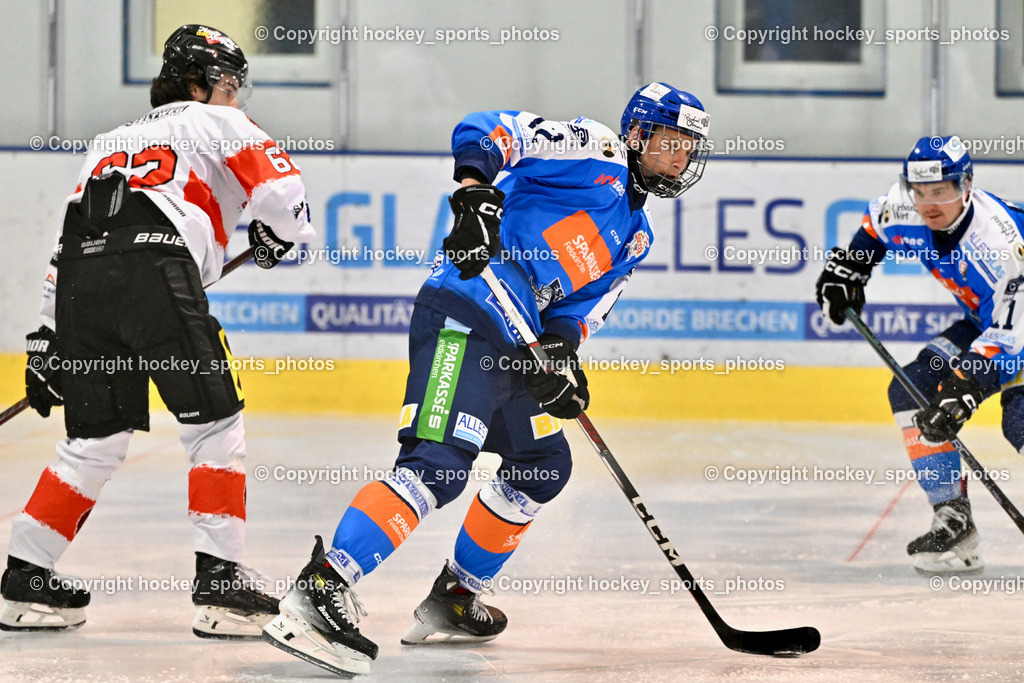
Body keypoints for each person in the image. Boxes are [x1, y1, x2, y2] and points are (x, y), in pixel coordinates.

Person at [261, 82, 710, 676]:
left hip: (517, 343)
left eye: (687, 149)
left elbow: (583, 311)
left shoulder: (637, 235)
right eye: (670, 143)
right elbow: (488, 127)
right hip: (465, 313)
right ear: (636, 135)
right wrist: (475, 196)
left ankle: (454, 598)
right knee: (439, 466)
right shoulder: (594, 152)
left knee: (542, 465)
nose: (678, 160)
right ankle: (319, 589)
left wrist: (562, 356)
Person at [0, 24, 314, 638]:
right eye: (227, 84)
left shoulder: (108, 141)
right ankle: (221, 583)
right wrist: (284, 236)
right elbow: (286, 195)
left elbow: (69, 239)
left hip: (82, 284)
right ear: (197, 84)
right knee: (216, 421)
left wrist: (46, 338)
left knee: (95, 440)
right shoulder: (219, 124)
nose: (233, 97)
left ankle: (25, 577)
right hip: (156, 271)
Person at [816, 135, 1024, 575]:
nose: (929, 203)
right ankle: (955, 521)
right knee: (914, 389)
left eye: (942, 191)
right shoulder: (906, 205)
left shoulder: (1000, 242)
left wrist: (966, 390)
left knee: (1020, 419)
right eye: (921, 191)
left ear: (966, 185)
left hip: (1018, 322)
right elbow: (875, 225)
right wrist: (849, 269)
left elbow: (1011, 338)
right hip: (987, 319)